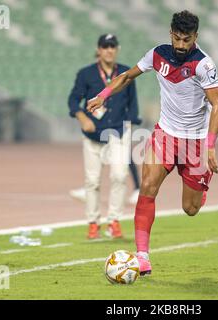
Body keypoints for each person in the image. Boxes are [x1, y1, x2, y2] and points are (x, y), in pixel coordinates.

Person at [87, 11, 218, 275]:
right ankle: (142, 257)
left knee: (191, 209)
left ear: (196, 37)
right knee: (148, 187)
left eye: (187, 39)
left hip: (195, 141)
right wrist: (103, 94)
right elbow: (127, 76)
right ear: (170, 33)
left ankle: (201, 188)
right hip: (165, 134)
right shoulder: (157, 54)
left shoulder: (203, 65)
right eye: (177, 38)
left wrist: (210, 146)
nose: (182, 45)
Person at [68, 34, 141, 240]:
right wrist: (82, 118)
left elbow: (132, 103)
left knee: (119, 176)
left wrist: (130, 124)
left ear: (117, 49)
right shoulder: (86, 74)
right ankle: (93, 223)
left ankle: (114, 221)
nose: (109, 50)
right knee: (92, 181)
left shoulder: (126, 73)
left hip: (118, 132)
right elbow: (74, 100)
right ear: (98, 49)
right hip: (92, 134)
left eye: (112, 46)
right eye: (105, 46)